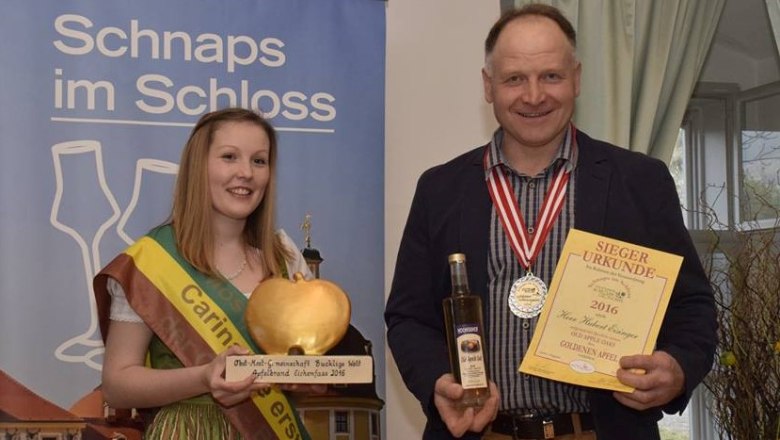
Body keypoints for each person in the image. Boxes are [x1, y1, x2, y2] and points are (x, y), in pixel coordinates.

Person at [384, 4, 717, 440]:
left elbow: (692, 308)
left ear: (576, 78)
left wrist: (676, 369)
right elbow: (408, 317)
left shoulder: (640, 181)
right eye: (515, 78)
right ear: (489, 86)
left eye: (551, 76)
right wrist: (437, 382)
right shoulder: (440, 189)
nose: (534, 95)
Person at [94, 107, 319, 439]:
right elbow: (117, 385)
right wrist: (203, 378)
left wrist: (306, 376)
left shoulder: (286, 259)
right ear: (198, 167)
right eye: (229, 157)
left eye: (259, 161)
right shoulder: (153, 261)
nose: (246, 172)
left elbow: (313, 374)